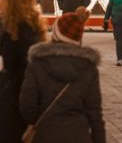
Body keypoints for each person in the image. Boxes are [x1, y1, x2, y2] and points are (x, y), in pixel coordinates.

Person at [20, 8, 107, 143]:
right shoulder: (88, 68)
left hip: (45, 135)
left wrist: (42, 121)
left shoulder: (37, 64)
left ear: (55, 34)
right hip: (78, 135)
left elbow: (27, 106)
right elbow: (94, 113)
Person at [0, 0, 47, 143]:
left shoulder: (21, 28)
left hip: (19, 92)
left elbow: (24, 62)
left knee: (12, 134)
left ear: (11, 0)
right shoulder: (18, 24)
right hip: (14, 88)